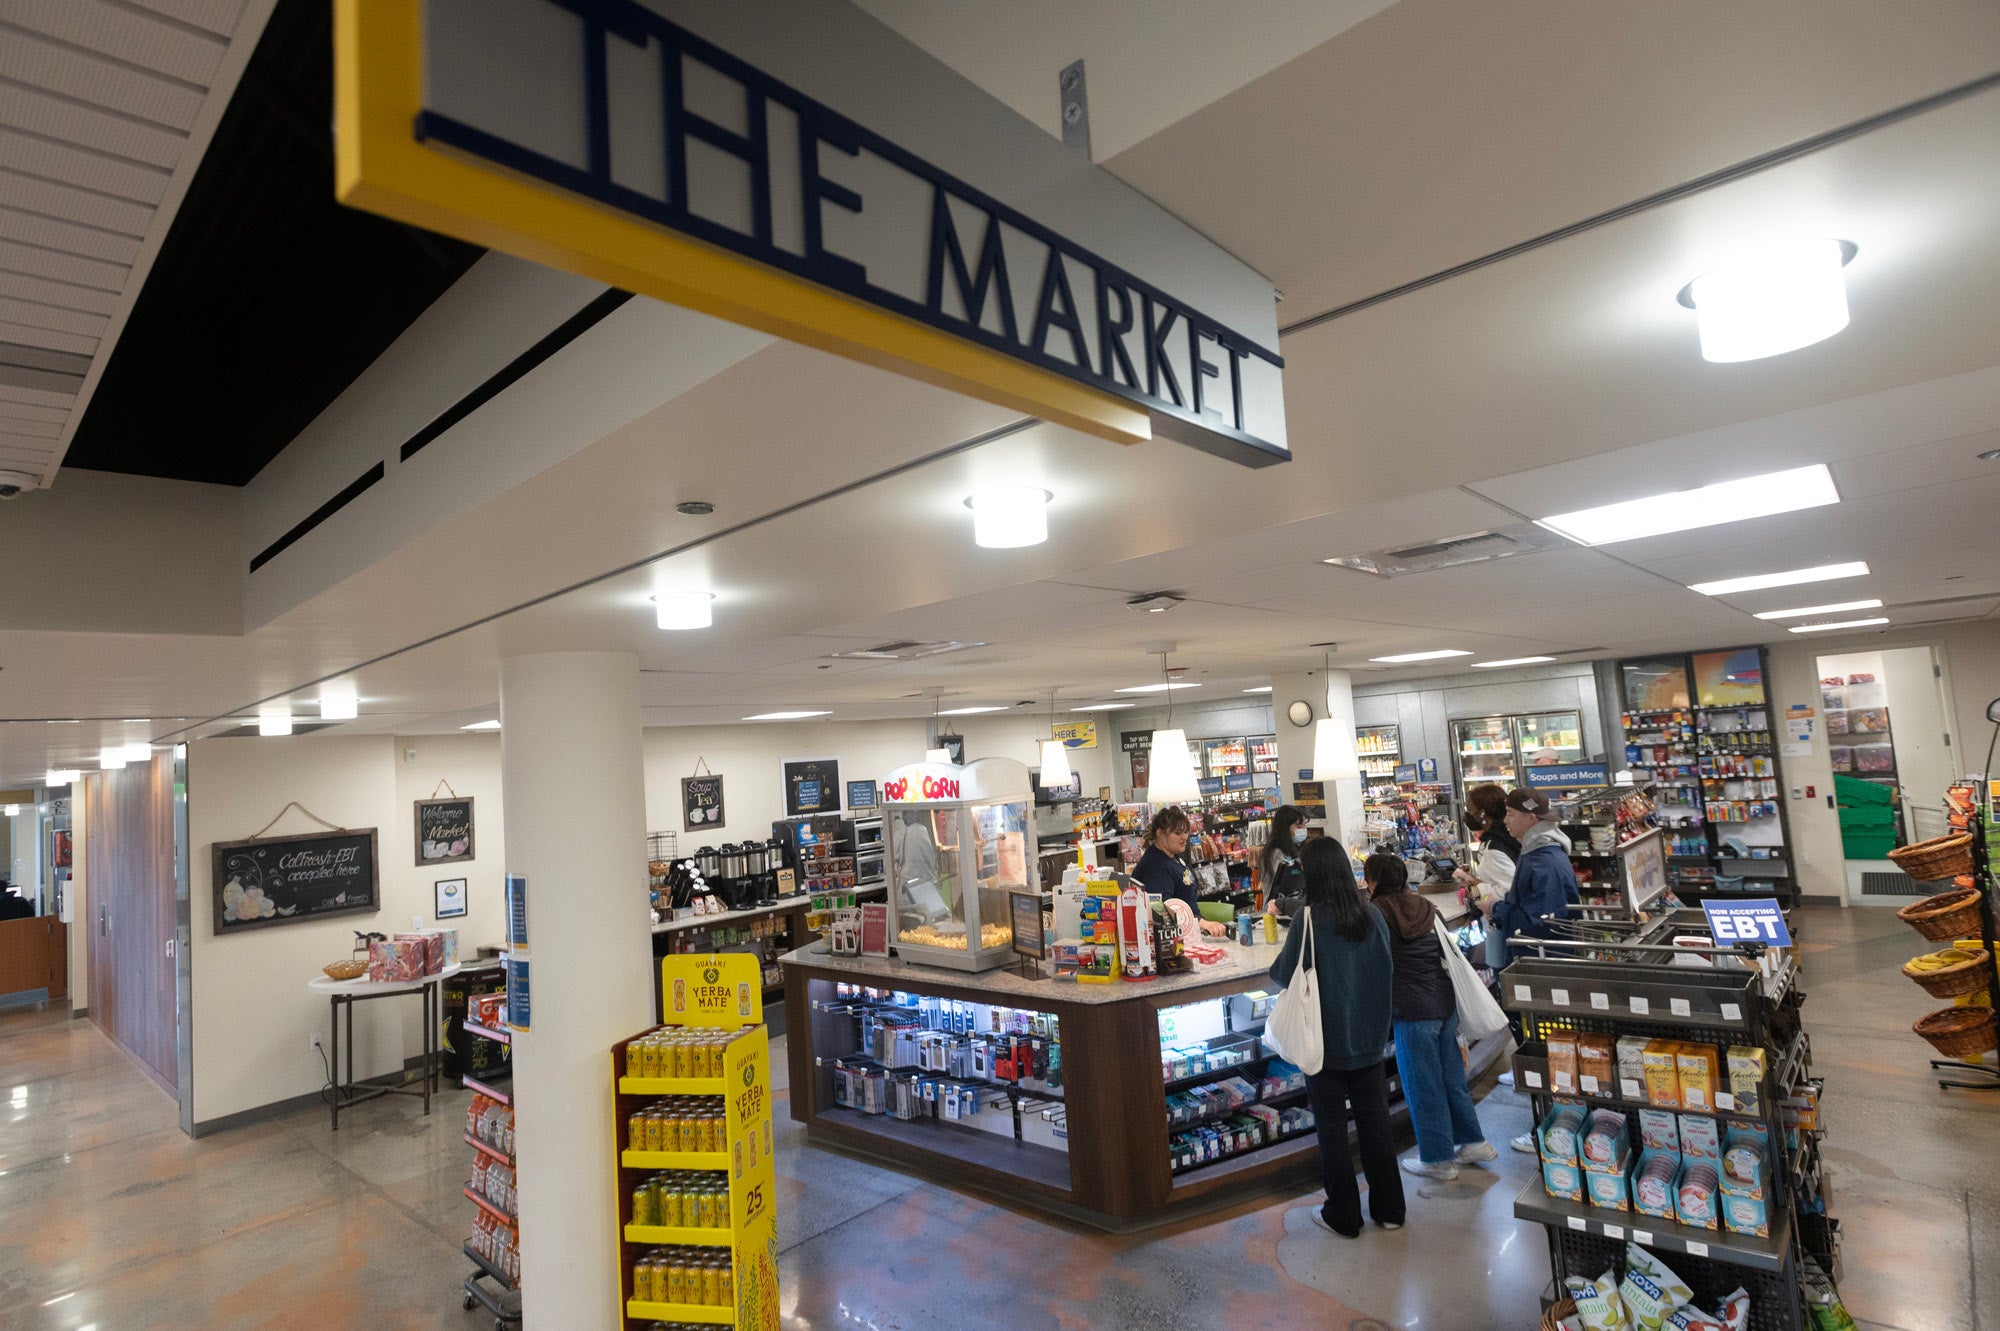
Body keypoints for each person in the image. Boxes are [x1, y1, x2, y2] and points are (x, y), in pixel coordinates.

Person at [1269, 838, 1404, 1237]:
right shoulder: (1372, 915)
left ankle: (1343, 1214)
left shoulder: (1309, 920)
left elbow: (1282, 974)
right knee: (1376, 1125)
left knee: (1331, 1129)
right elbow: (1386, 971)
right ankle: (1391, 1209)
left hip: (1323, 1043)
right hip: (1368, 1040)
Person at [1363, 852, 1495, 1180]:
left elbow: (1371, 959)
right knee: (1451, 1078)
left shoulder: (1375, 912)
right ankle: (1473, 1141)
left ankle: (1437, 1159)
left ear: (1375, 881)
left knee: (1423, 1085)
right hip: (1443, 1001)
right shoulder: (1423, 904)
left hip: (1411, 1009)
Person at [1480, 786, 1581, 1152]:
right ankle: (1550, 1127)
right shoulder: (1541, 852)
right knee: (1543, 1046)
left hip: (1542, 969)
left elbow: (1539, 922)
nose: (1504, 821)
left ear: (1531, 817)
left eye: (1510, 814)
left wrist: (1497, 909)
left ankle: (1549, 1133)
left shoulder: (1541, 860)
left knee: (1545, 1047)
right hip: (1542, 966)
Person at [1132, 807, 1227, 936]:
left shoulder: (1173, 855)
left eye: (1186, 832)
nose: (1184, 837)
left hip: (1190, 929)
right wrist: (1202, 924)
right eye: (1177, 833)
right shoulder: (1155, 867)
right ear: (1160, 833)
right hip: (1175, 939)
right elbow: (1164, 911)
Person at [1258, 804, 1312, 919]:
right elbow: (1289, 878)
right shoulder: (1275, 854)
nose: (1303, 829)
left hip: (1294, 910)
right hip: (1276, 913)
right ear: (1285, 827)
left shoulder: (1295, 848)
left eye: (1304, 825)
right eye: (1299, 826)